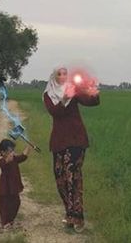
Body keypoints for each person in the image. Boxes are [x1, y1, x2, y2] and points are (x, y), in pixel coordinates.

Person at [42, 67, 100, 233]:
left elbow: (92, 102)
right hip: (59, 141)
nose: (63, 76)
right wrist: (64, 99)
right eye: (59, 73)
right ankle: (69, 213)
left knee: (73, 177)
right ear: (53, 76)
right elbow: (55, 112)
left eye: (65, 73)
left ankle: (78, 217)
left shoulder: (73, 90)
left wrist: (92, 89)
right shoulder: (48, 94)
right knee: (60, 178)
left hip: (76, 139)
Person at [0, 139, 30, 230]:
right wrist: (8, 158)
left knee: (16, 203)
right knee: (4, 205)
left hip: (14, 187)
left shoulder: (15, 159)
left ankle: (11, 219)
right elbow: (4, 164)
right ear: (3, 152)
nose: (12, 153)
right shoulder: (2, 161)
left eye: (13, 151)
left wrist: (28, 148)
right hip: (5, 188)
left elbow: (23, 157)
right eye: (10, 151)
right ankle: (4, 221)